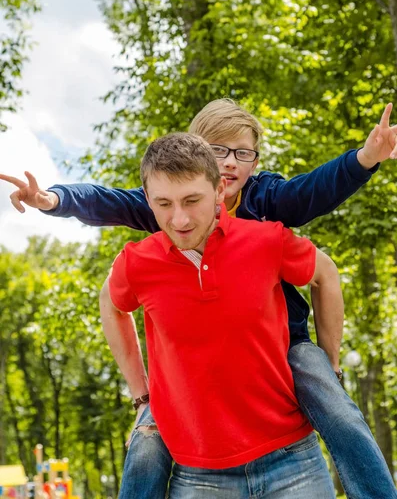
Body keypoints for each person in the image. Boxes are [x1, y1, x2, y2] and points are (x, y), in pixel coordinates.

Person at [1, 100, 397, 498]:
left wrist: (364, 158)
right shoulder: (172, 202)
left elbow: (313, 191)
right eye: (217, 150)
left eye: (242, 154)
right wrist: (53, 200)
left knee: (340, 411)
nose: (229, 162)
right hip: (188, 373)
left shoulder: (266, 201)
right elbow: (105, 201)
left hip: (285, 343)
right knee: (147, 443)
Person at [101, 131, 339, 498]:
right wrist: (141, 396)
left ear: (218, 192)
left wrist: (332, 362)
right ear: (147, 198)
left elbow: (325, 274)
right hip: (199, 478)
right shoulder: (137, 263)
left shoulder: (266, 241)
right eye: (163, 204)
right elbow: (112, 304)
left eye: (192, 200)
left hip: (293, 463)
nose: (178, 219)